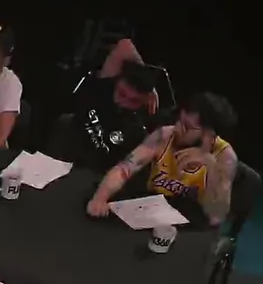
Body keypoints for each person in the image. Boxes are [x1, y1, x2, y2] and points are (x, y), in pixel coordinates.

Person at [86, 92, 240, 227]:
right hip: (152, 210)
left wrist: (211, 168)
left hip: (190, 222)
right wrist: (99, 199)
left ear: (209, 135)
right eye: (180, 120)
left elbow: (216, 215)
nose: (177, 128)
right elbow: (123, 169)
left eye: (187, 127)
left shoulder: (225, 157)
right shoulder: (164, 135)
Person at [46, 38, 160, 170]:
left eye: (133, 101)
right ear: (117, 81)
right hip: (62, 158)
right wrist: (153, 90)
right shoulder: (101, 86)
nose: (123, 103)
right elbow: (124, 45)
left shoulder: (137, 130)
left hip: (94, 173)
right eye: (122, 94)